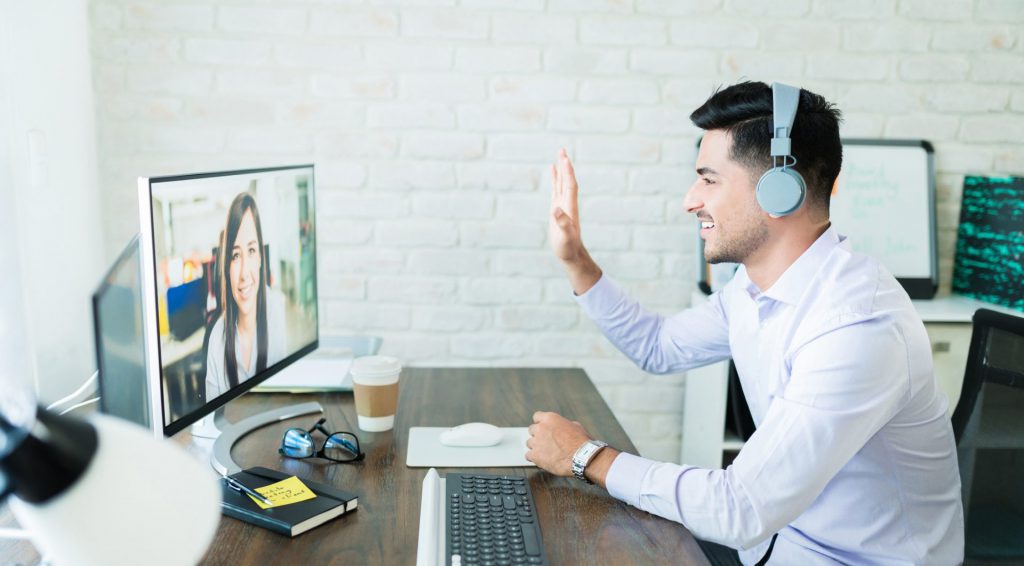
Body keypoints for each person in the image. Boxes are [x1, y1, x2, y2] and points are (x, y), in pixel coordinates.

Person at [526, 81, 964, 564]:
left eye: (709, 179)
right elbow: (659, 346)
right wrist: (576, 261)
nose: (690, 200)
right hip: (780, 546)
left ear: (780, 188)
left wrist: (586, 457)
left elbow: (740, 508)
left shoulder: (857, 327)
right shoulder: (753, 289)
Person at [205, 193, 285, 400]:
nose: (243, 274)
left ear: (260, 257)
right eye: (235, 256)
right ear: (226, 266)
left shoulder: (277, 311)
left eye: (251, 250)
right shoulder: (217, 341)